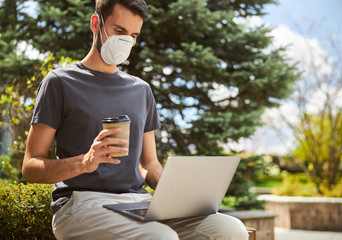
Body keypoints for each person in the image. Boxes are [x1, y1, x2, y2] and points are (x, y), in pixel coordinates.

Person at [22, 0, 249, 239]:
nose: (126, 41)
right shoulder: (60, 82)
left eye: (133, 35)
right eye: (119, 31)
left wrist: (179, 197)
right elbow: (30, 167)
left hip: (136, 203)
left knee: (229, 230)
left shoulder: (141, 90)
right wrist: (85, 162)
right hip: (81, 204)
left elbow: (148, 164)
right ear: (95, 23)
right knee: (160, 237)